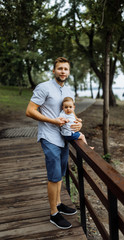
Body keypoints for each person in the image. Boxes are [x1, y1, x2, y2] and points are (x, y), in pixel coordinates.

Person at [26, 57, 82, 230]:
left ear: (69, 72)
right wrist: (52, 121)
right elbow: (29, 111)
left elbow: (71, 114)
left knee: (61, 174)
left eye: (66, 69)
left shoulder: (69, 91)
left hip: (64, 138)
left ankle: (58, 203)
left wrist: (79, 123)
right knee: (54, 176)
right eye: (60, 68)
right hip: (49, 137)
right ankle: (53, 214)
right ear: (54, 70)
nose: (63, 71)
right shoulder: (44, 87)